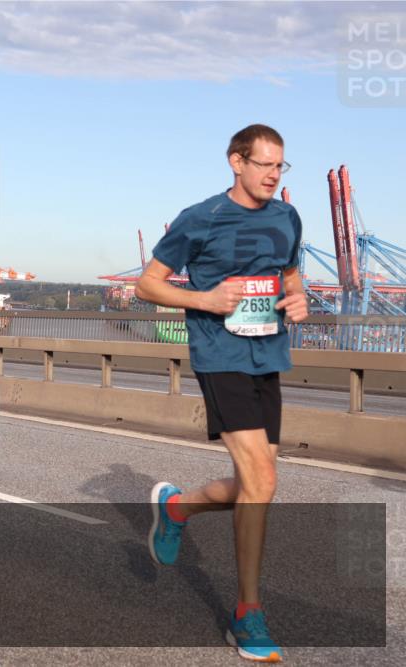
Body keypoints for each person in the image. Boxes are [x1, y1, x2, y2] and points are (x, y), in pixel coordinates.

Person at [137, 124, 309, 663]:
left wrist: (298, 298)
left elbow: (291, 272)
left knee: (253, 483)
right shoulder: (200, 218)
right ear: (236, 162)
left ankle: (177, 508)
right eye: (264, 165)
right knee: (263, 478)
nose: (273, 175)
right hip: (220, 356)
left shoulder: (287, 215)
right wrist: (207, 300)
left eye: (281, 166)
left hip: (268, 358)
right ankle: (247, 614)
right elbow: (148, 284)